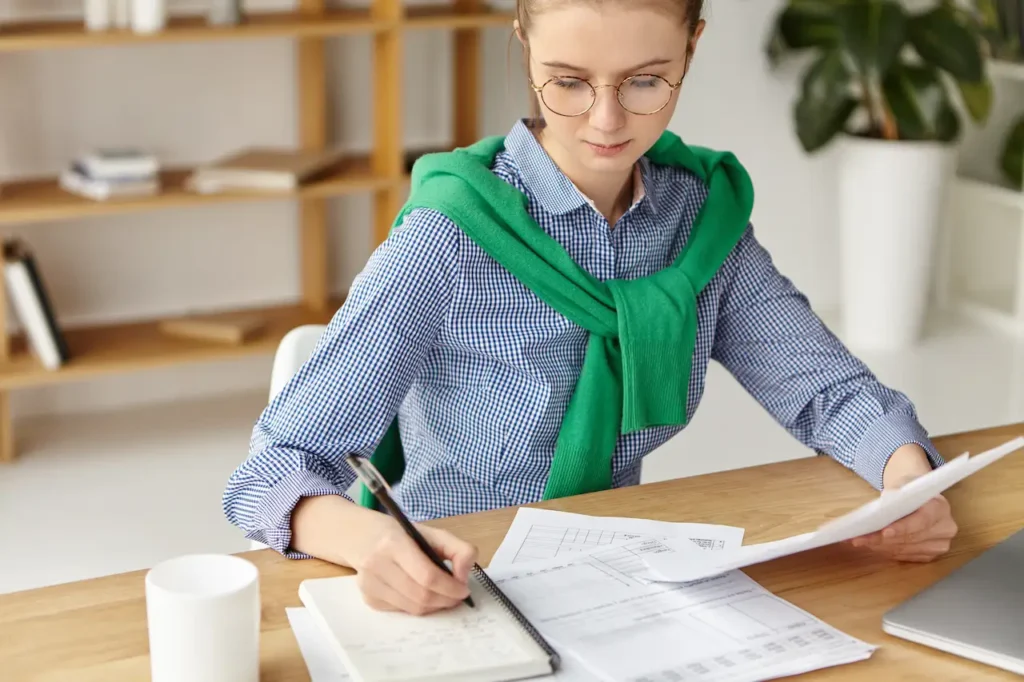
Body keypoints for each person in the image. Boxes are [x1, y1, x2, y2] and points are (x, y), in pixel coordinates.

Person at [223, 0, 959, 616]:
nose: (606, 121)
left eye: (646, 81)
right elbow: (273, 470)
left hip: (616, 580)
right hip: (456, 584)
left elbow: (830, 392)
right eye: (567, 83)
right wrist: (370, 543)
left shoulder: (701, 227)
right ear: (524, 43)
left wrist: (907, 481)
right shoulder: (449, 236)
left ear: (692, 50)